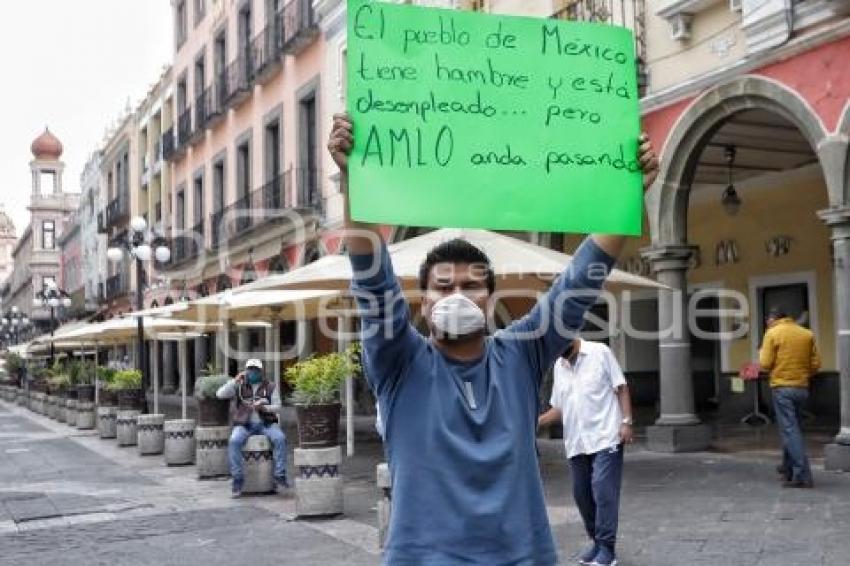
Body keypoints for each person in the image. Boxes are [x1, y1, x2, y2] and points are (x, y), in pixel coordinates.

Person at [327, 112, 657, 564]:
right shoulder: (399, 362)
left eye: (471, 285)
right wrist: (354, 181)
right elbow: (372, 281)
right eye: (443, 286)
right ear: (423, 303)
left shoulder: (521, 352)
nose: (457, 295)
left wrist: (629, 190)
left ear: (491, 298)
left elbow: (579, 283)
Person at [538, 339, 634, 566]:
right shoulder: (560, 367)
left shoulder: (600, 352)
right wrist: (535, 422)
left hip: (606, 436)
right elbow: (559, 408)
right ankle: (597, 542)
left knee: (603, 491)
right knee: (581, 495)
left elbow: (621, 387)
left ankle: (607, 549)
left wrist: (627, 422)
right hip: (577, 442)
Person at [759, 309, 821, 488]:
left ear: (772, 319)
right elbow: (816, 364)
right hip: (802, 388)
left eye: (767, 321)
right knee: (794, 429)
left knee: (789, 430)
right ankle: (788, 468)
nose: (767, 324)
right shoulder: (806, 333)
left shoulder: (772, 333)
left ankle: (802, 475)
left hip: (782, 388)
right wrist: (801, 375)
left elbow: (765, 363)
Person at [216, 359, 289, 497]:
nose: (253, 372)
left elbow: (278, 407)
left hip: (266, 423)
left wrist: (264, 407)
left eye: (256, 369)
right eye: (250, 369)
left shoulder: (270, 386)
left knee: (280, 438)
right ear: (246, 370)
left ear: (261, 371)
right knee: (234, 441)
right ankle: (237, 478)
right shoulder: (239, 385)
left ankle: (280, 474)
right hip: (244, 424)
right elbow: (219, 394)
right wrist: (234, 381)